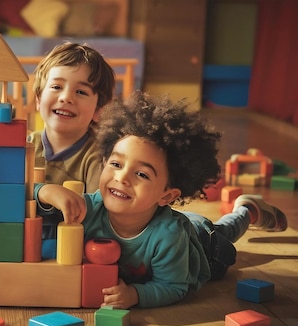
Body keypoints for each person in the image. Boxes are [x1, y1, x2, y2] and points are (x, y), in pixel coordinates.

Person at [34, 91, 288, 309]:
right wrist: (44, 192)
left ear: (167, 195)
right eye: (115, 163)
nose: (122, 178)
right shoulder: (90, 207)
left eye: (142, 174)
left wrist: (136, 294)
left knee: (226, 232)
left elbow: (175, 287)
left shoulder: (168, 237)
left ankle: (247, 209)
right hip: (170, 220)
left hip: (206, 245)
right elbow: (35, 209)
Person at [26, 42, 115, 251]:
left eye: (81, 92)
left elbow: (100, 212)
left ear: (98, 110)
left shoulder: (98, 156)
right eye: (57, 87)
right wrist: (42, 191)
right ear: (39, 100)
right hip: (23, 244)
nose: (66, 97)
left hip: (73, 250)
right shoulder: (25, 146)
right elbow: (2, 191)